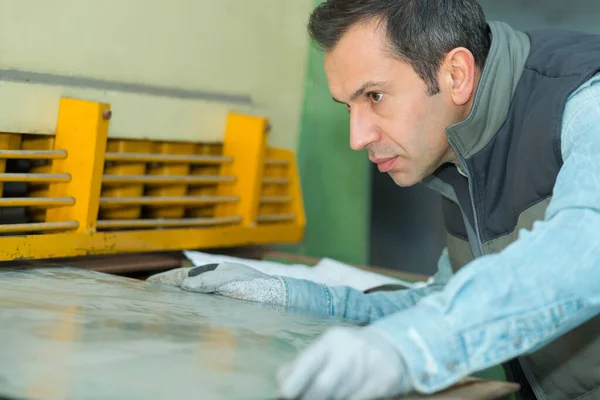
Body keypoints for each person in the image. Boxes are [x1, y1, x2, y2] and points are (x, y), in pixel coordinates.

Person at [148, 0, 600, 399]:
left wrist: (411, 347)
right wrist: (284, 294)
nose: (357, 137)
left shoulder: (584, 100)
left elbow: (586, 251)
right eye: (349, 106)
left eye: (375, 96)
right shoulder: (461, 151)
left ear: (455, 74)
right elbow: (442, 302)